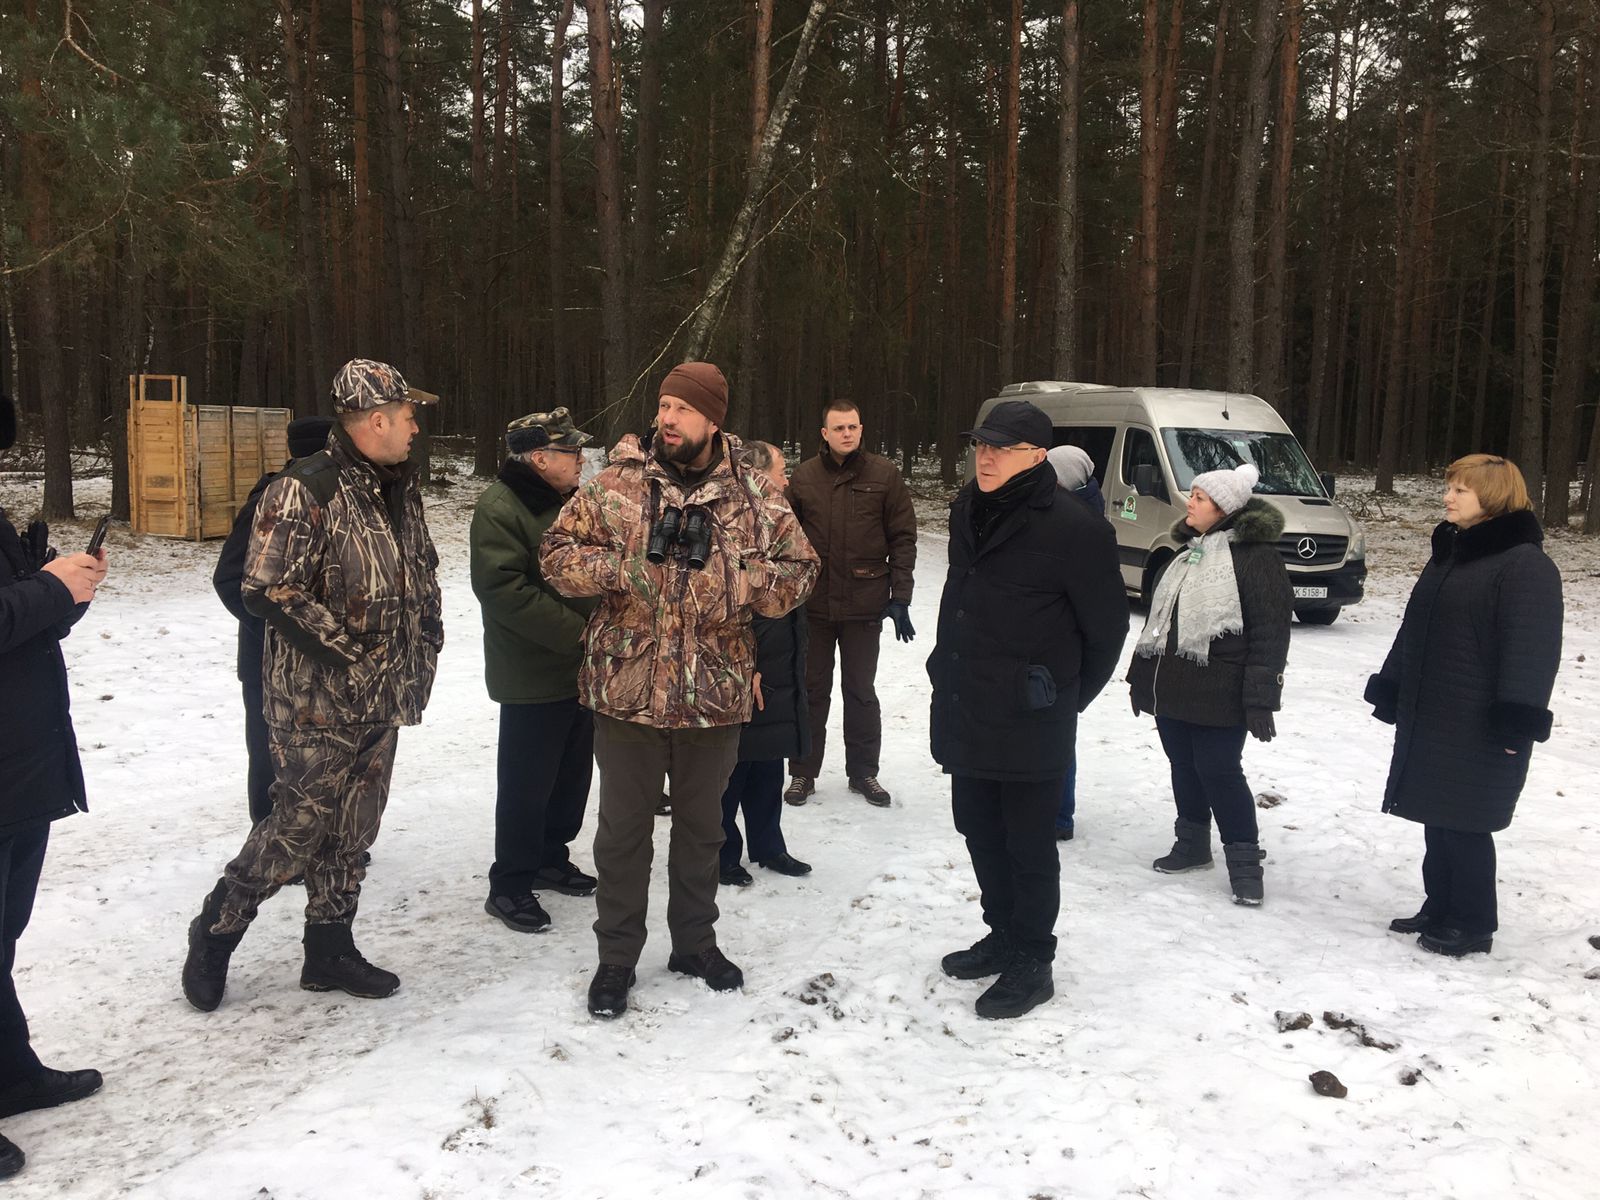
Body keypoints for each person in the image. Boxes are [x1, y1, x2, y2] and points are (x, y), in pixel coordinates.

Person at [540, 362, 818, 1019]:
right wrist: (622, 568)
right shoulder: (617, 485)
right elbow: (555, 554)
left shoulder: (754, 493)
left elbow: (801, 571)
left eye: (682, 409)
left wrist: (737, 578)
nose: (666, 418)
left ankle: (695, 944)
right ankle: (617, 958)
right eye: (663, 405)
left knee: (702, 832)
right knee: (621, 836)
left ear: (712, 420)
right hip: (627, 691)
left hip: (713, 694)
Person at [181, 359, 443, 1011]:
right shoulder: (305, 488)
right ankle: (216, 930)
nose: (415, 426)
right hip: (315, 701)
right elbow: (268, 587)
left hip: (384, 693)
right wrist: (351, 655)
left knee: (354, 827)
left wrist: (426, 639)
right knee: (296, 826)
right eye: (408, 415)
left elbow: (419, 572)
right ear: (376, 419)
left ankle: (329, 948)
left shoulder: (397, 487)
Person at [928, 400, 1127, 1020]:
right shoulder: (967, 509)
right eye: (980, 445)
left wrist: (1060, 698)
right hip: (968, 700)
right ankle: (1003, 934)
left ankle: (1033, 958)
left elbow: (1107, 632)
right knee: (978, 828)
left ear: (1037, 456)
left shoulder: (1076, 529)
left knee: (1029, 843)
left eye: (1001, 448)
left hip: (1032, 717)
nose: (985, 458)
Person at [1364, 454, 1562, 957]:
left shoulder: (1524, 566)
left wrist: (1516, 724)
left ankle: (1473, 923)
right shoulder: (1451, 552)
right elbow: (1414, 627)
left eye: (1460, 490)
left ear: (1492, 498)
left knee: (1466, 822)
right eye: (1449, 487)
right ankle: (1440, 906)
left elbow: (1532, 651)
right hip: (1434, 713)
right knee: (1437, 815)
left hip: (1481, 723)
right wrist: (1392, 685)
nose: (1447, 497)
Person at [0, 392, 106, 1179]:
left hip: (21, 763)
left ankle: (11, 1072)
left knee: (4, 934)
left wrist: (64, 592)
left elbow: (19, 626)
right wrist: (45, 589)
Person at [1127, 461, 1291, 907]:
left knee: (1219, 771)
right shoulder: (1186, 553)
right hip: (1173, 686)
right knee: (1183, 766)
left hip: (1222, 691)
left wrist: (1261, 700)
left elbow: (1271, 633)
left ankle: (1245, 865)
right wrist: (1141, 679)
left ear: (1224, 508)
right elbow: (1158, 624)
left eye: (1199, 498)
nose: (1190, 503)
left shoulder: (1256, 558)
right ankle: (1192, 845)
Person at [470, 408, 599, 934]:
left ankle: (550, 856)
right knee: (527, 784)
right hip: (533, 670)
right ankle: (510, 883)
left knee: (571, 775)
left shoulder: (571, 502)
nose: (581, 459)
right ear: (540, 458)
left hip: (581, 668)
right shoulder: (501, 508)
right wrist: (579, 634)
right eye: (571, 452)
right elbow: (503, 589)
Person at [783, 400, 917, 808]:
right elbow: (785, 541)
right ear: (825, 434)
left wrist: (900, 597)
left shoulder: (884, 474)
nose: (847, 434)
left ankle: (863, 772)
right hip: (814, 606)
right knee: (811, 690)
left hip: (864, 604)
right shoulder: (804, 477)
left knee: (861, 691)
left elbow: (903, 538)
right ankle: (803, 772)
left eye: (853, 427)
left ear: (861, 430)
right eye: (839, 428)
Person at [213, 416, 335, 828]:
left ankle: (318, 840)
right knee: (272, 757)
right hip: (267, 661)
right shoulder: (272, 499)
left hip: (317, 660)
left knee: (319, 757)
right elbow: (229, 579)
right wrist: (279, 632)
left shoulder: (331, 498)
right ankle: (267, 839)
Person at [718, 442, 813, 887]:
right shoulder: (734, 521)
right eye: (781, 470)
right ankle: (721, 853)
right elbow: (733, 597)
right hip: (744, 662)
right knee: (733, 765)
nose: (787, 478)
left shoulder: (778, 516)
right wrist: (747, 663)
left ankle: (769, 845)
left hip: (780, 656)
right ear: (757, 475)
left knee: (768, 759)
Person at [1044, 444, 1105, 841]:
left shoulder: (1082, 525)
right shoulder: (1073, 511)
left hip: (1064, 647)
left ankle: (1060, 816)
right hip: (1055, 643)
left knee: (1059, 736)